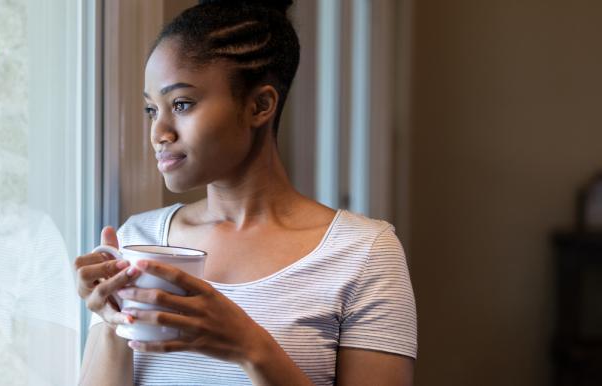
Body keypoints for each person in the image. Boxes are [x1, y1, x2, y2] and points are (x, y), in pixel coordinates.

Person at [74, 1, 416, 385]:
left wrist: (248, 346)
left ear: (260, 105)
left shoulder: (363, 253)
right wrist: (111, 320)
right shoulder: (137, 241)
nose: (159, 133)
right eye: (152, 110)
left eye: (181, 104)